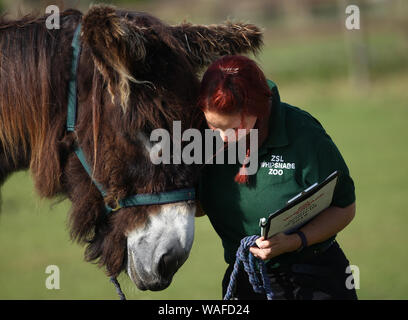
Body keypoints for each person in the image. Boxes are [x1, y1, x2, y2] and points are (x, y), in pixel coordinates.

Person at [196, 55, 357, 300]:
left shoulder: (304, 135)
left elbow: (344, 208)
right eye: (213, 126)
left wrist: (295, 241)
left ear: (257, 111)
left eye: (233, 129)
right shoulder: (201, 138)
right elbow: (197, 208)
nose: (222, 138)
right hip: (245, 279)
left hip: (314, 279)